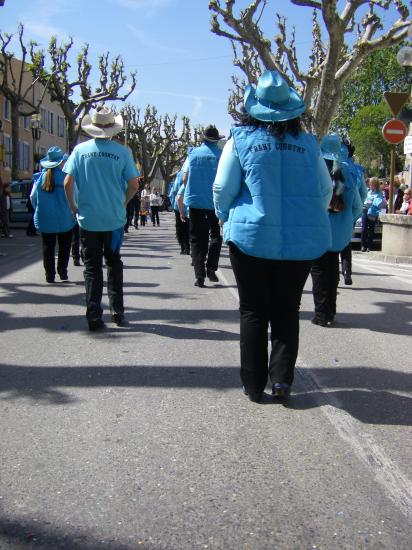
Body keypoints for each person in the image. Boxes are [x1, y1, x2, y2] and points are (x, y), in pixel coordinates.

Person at [213, 70, 332, 403]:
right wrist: (306, 218)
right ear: (292, 111)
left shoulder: (240, 139)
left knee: (252, 311)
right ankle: (282, 382)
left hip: (250, 238)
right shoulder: (309, 144)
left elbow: (223, 187)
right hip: (299, 244)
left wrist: (225, 217)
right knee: (286, 311)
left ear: (254, 109)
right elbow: (325, 189)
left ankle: (253, 385)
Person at [63, 107, 140, 331]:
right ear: (113, 129)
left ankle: (94, 314)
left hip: (88, 219)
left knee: (91, 268)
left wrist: (74, 207)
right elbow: (134, 184)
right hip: (114, 219)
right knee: (114, 264)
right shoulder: (122, 152)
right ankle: (118, 313)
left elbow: (67, 183)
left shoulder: (79, 150)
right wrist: (123, 202)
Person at [310, 134, 363, 327]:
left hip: (317, 228)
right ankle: (330, 312)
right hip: (340, 231)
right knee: (332, 270)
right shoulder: (349, 170)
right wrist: (348, 220)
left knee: (318, 271)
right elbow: (357, 204)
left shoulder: (315, 167)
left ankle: (321, 314)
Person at [182, 124, 224, 287]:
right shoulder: (221, 155)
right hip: (214, 202)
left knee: (196, 239)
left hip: (195, 201)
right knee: (216, 235)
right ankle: (211, 267)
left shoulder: (192, 153)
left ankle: (199, 275)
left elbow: (185, 179)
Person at [30, 147, 76, 283]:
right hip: (65, 217)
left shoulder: (41, 178)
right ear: (61, 162)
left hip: (46, 217)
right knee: (64, 246)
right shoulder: (67, 177)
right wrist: (74, 209)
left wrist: (39, 209)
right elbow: (75, 196)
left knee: (48, 247)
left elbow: (33, 197)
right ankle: (63, 272)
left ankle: (49, 275)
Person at [339, 138, 367, 285]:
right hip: (350, 210)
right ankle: (346, 271)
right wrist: (353, 216)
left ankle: (331, 275)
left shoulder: (325, 163)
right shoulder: (357, 170)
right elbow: (362, 194)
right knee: (345, 242)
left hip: (329, 210)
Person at [361, 176, 386, 252]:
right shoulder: (367, 191)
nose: (370, 185)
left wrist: (374, 202)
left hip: (373, 213)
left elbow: (380, 204)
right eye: (370, 183)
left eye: (372, 183)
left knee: (371, 229)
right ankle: (363, 245)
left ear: (375, 184)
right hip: (365, 210)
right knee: (364, 229)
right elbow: (363, 199)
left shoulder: (379, 193)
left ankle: (369, 246)